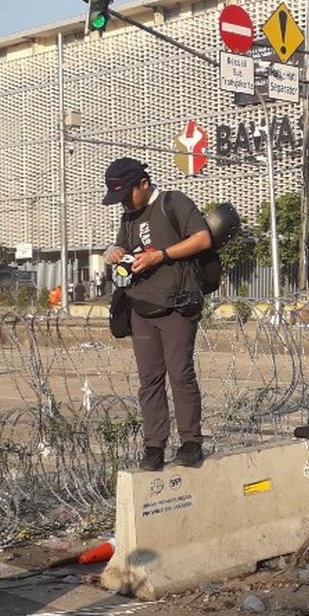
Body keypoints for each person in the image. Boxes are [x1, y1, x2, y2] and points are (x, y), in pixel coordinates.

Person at [103, 158, 212, 472]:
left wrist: (160, 256)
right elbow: (122, 248)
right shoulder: (129, 216)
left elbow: (202, 238)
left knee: (180, 373)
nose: (123, 202)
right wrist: (115, 253)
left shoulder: (172, 202)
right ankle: (154, 446)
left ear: (143, 183)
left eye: (126, 194)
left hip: (177, 305)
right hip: (141, 307)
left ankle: (191, 442)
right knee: (149, 380)